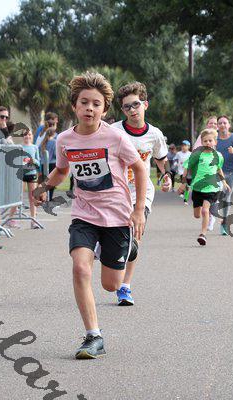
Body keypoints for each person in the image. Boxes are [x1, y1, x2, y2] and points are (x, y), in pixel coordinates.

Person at [33, 71, 147, 359]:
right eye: (84, 102)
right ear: (74, 105)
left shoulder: (115, 137)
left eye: (96, 104)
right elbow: (62, 170)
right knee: (81, 268)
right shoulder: (64, 140)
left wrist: (138, 211)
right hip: (84, 215)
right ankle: (93, 336)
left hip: (117, 217)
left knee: (111, 284)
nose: (90, 108)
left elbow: (140, 168)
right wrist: (44, 186)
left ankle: (130, 249)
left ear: (104, 110)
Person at [111, 81, 171, 306]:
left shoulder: (154, 134)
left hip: (141, 193)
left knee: (135, 237)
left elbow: (161, 159)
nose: (132, 110)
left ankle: (125, 286)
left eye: (136, 104)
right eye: (127, 107)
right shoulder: (114, 131)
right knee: (116, 238)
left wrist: (167, 176)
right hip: (115, 193)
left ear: (145, 104)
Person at [177, 129, 229, 246]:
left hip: (211, 189)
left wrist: (224, 182)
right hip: (197, 188)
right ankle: (206, 215)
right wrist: (184, 183)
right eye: (205, 141)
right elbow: (187, 167)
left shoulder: (218, 156)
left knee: (205, 211)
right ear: (202, 142)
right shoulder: (197, 154)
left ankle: (203, 234)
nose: (208, 143)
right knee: (197, 215)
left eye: (210, 140)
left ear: (215, 142)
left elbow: (219, 169)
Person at [211, 115, 233, 235]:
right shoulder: (214, 138)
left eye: (225, 123)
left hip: (230, 172)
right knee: (215, 196)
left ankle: (224, 222)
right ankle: (212, 216)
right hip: (216, 172)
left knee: (226, 197)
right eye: (220, 123)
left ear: (229, 125)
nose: (222, 125)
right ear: (217, 126)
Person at [20, 128, 41, 229]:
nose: (27, 136)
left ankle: (33, 220)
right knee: (18, 197)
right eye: (25, 135)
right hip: (21, 174)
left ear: (32, 136)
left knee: (33, 198)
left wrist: (33, 161)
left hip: (32, 174)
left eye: (29, 135)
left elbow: (38, 162)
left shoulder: (35, 147)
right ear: (22, 136)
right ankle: (11, 219)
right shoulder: (19, 147)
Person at [174, 140, 192, 204]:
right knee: (184, 184)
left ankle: (184, 197)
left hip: (189, 172)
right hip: (181, 172)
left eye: (185, 145)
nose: (183, 147)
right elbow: (175, 159)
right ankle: (183, 195)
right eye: (182, 145)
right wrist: (175, 163)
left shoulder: (190, 154)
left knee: (187, 186)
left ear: (188, 147)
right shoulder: (178, 153)